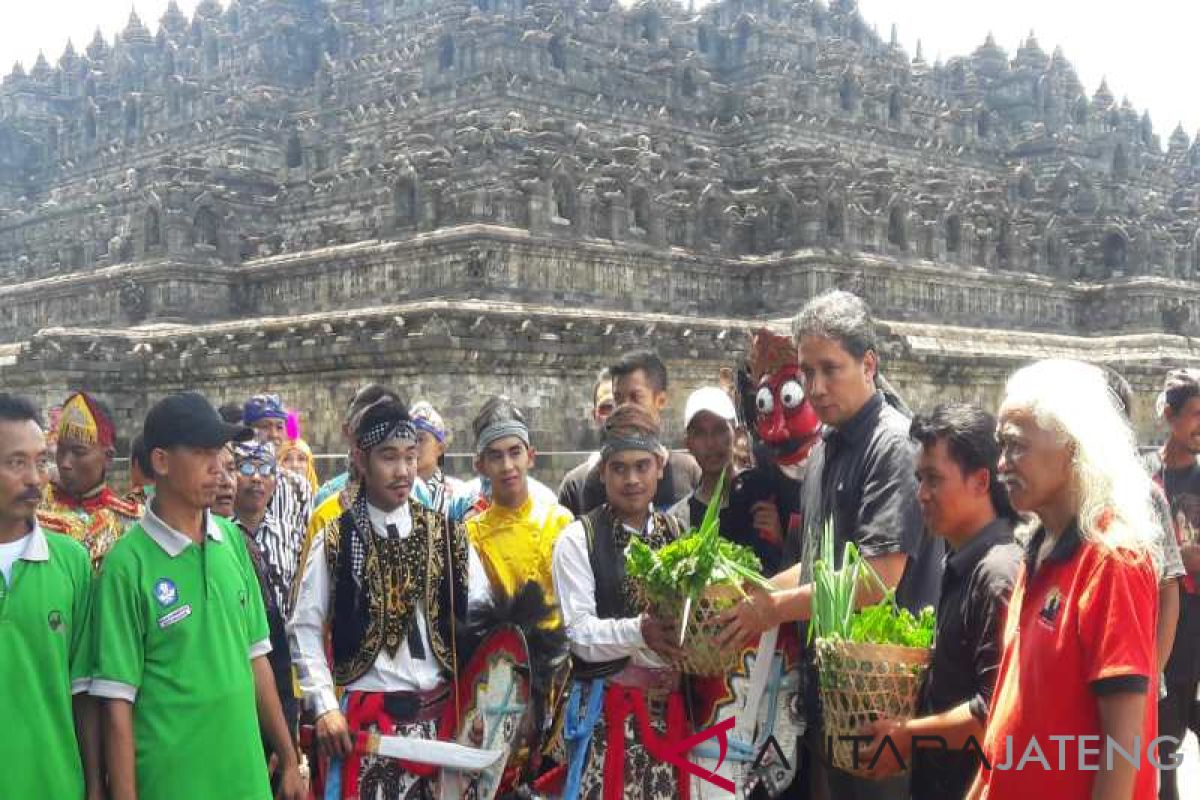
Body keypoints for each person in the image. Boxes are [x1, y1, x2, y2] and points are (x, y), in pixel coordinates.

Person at [718, 290, 943, 800]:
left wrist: (772, 609)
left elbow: (876, 579)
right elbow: (816, 567)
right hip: (834, 693)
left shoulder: (892, 445)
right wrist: (743, 590)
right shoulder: (825, 449)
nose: (815, 388)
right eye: (806, 372)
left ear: (868, 364)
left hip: (886, 697)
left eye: (829, 369)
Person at [91, 391, 303, 800]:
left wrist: (289, 758)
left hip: (244, 779)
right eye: (203, 453)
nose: (219, 470)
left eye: (221, 454)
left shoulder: (233, 542)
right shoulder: (126, 566)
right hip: (171, 783)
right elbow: (117, 705)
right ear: (161, 462)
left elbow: (257, 658)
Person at [966, 359, 1160, 800]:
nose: (1001, 464)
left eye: (1016, 447)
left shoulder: (1113, 559)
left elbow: (1123, 748)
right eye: (1001, 446)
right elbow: (1007, 716)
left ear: (1074, 445)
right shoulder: (1038, 549)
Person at [288, 399, 490, 799]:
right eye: (389, 457)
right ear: (361, 460)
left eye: (410, 457)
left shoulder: (449, 536)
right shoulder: (337, 538)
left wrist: (481, 701)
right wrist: (325, 706)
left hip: (443, 723)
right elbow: (305, 628)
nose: (402, 471)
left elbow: (484, 622)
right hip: (367, 729)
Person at [860, 404, 1022, 799]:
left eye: (934, 480)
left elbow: (994, 712)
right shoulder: (960, 561)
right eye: (919, 479)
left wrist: (907, 735)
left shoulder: (998, 573)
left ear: (981, 482)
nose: (922, 494)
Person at [552, 403, 690, 799]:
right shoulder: (579, 540)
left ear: (660, 467)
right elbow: (579, 635)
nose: (632, 479)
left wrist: (684, 664)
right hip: (605, 716)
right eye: (620, 468)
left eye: (642, 466)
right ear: (603, 472)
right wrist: (640, 631)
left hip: (668, 715)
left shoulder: (679, 534)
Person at [0, 394, 101, 800]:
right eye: (15, 463)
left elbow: (85, 691)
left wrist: (95, 785)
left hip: (55, 784)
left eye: (41, 461)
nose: (35, 478)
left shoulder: (72, 562)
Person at [1143, 368, 1200, 800]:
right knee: (1165, 751)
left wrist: (1171, 559)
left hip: (1196, 627)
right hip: (1163, 631)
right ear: (1169, 415)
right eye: (1196, 414)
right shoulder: (1144, 476)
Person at [558, 350, 701, 517]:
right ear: (605, 473)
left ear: (660, 400)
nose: (624, 408)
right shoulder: (581, 484)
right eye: (618, 399)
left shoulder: (690, 472)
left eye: (636, 397)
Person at [466, 396, 574, 610]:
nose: (507, 466)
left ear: (530, 457)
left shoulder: (561, 522)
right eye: (496, 456)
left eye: (515, 452)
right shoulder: (472, 536)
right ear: (481, 466)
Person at [231, 441, 302, 745]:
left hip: (284, 661)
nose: (257, 478)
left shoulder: (291, 532)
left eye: (266, 470)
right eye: (246, 467)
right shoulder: (220, 535)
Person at [38, 391, 142, 568]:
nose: (65, 463)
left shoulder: (131, 522)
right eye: (61, 450)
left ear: (108, 457)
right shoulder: (31, 509)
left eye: (79, 452)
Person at [556, 369, 616, 506]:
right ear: (595, 416)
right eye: (607, 408)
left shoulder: (662, 476)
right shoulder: (574, 487)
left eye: (621, 405)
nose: (615, 415)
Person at [411, 400, 465, 517]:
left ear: (440, 448)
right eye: (409, 439)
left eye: (420, 439)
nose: (413, 446)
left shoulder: (459, 494)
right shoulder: (397, 492)